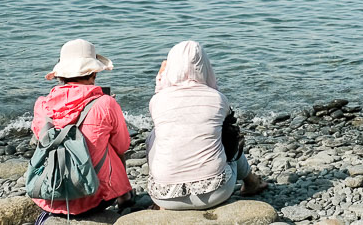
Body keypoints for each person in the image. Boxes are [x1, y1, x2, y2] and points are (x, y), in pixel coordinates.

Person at [147, 41, 266, 210]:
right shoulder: (217, 99)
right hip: (216, 193)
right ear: (205, 66)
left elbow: (171, 117)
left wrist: (161, 80)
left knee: (156, 134)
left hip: (164, 197)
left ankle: (164, 193)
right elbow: (228, 137)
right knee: (227, 133)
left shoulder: (157, 101)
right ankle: (251, 181)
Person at [31, 39, 133, 220]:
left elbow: (40, 139)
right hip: (95, 196)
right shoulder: (105, 103)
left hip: (50, 194)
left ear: (60, 75)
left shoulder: (42, 105)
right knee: (111, 144)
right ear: (94, 72)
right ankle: (124, 197)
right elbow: (123, 145)